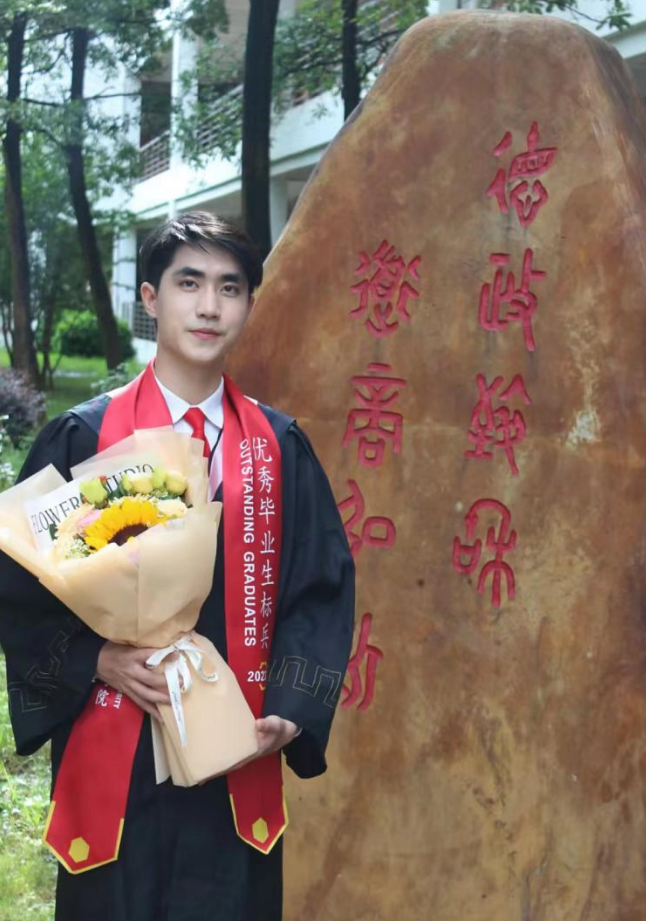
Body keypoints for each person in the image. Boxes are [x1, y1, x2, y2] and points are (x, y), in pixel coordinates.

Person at [0, 211, 355, 921]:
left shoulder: (279, 448)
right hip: (118, 750)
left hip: (233, 747)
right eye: (188, 283)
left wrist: (292, 708)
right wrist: (96, 659)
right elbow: (19, 588)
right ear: (150, 297)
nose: (209, 306)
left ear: (248, 304)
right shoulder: (82, 436)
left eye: (230, 287)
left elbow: (319, 589)